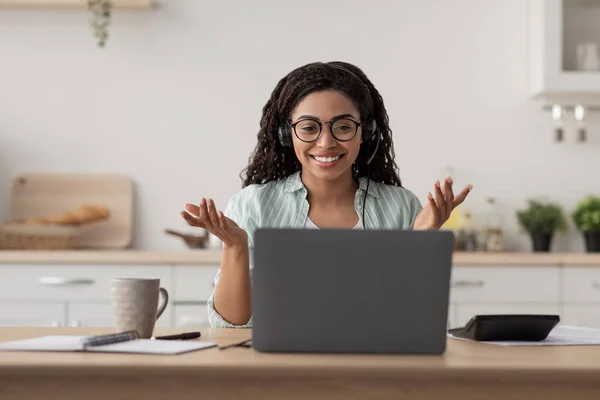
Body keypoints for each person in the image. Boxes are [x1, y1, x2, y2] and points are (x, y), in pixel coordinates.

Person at [181, 61, 472, 328]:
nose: (326, 142)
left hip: (375, 374)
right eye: (309, 128)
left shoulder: (401, 206)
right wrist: (235, 247)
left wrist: (421, 242)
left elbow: (417, 323)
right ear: (287, 134)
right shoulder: (253, 205)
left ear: (366, 132)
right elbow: (230, 327)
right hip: (279, 375)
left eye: (343, 127)